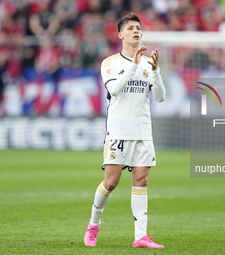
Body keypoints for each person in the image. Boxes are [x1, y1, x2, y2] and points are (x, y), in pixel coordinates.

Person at [84, 13, 165, 249]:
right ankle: (93, 223)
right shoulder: (110, 63)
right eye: (130, 28)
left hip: (142, 131)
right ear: (120, 34)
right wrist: (133, 65)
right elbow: (116, 89)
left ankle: (140, 236)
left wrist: (156, 71)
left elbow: (160, 98)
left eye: (138, 28)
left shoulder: (150, 64)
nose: (136, 31)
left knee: (141, 180)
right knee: (111, 182)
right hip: (118, 131)